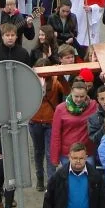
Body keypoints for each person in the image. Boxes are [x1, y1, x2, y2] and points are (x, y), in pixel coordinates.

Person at [41, 142, 105, 208]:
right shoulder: (58, 177)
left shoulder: (96, 178)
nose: (78, 161)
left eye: (81, 158)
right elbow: (48, 205)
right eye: (75, 158)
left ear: (86, 157)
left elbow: (103, 206)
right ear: (69, 157)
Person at [31, 57, 69, 190]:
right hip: (34, 121)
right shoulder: (31, 80)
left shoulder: (54, 81)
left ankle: (51, 182)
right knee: (38, 151)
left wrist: (61, 77)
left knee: (50, 152)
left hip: (50, 122)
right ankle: (40, 178)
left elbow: (66, 91)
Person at [51, 81, 100, 170]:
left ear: (86, 94)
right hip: (68, 154)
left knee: (89, 180)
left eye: (82, 96)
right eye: (76, 96)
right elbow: (56, 134)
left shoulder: (93, 106)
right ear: (71, 94)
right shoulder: (60, 109)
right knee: (70, 181)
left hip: (87, 152)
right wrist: (55, 158)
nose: (79, 99)